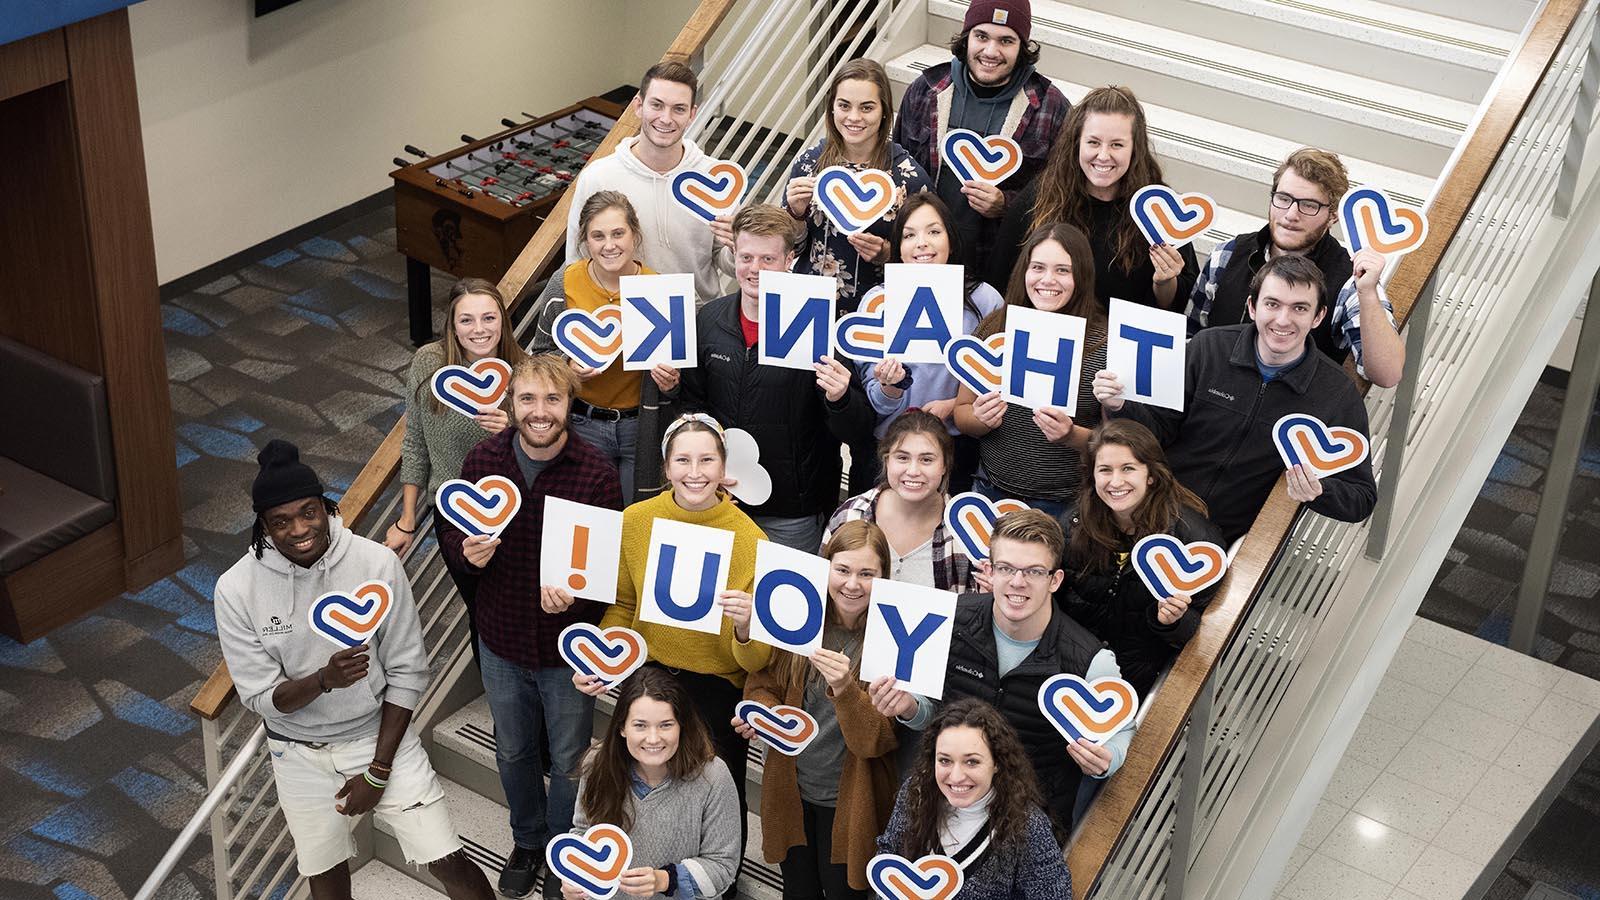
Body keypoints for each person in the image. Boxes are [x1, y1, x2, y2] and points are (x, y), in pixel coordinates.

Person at [215, 440, 491, 900]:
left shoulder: (375, 563)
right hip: (297, 754)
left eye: (308, 512)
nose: (299, 529)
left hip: (378, 738)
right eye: (280, 522)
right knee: (324, 879)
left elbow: (407, 672)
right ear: (262, 526)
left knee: (448, 861)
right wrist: (324, 681)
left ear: (326, 507)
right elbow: (260, 698)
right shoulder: (235, 589)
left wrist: (378, 771)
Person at [436, 356, 624, 898]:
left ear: (570, 404)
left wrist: (578, 596)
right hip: (500, 637)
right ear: (511, 403)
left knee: (568, 759)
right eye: (527, 400)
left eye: (552, 400)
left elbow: (605, 574)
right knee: (513, 750)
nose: (539, 413)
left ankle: (563, 849)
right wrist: (468, 555)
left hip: (567, 649)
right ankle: (528, 840)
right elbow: (452, 537)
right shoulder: (483, 460)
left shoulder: (596, 474)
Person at [574, 413, 772, 897]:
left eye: (707, 459)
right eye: (682, 460)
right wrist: (602, 656)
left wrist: (746, 626)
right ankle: (631, 876)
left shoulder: (752, 540)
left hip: (714, 690)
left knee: (715, 799)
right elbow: (622, 604)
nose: (695, 471)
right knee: (632, 782)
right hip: (649, 676)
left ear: (725, 467)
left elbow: (753, 662)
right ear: (665, 467)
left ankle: (713, 885)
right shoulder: (637, 521)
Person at [869, 509, 1132, 834]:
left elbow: (1124, 729)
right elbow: (931, 712)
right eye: (1007, 568)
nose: (1018, 582)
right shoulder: (950, 619)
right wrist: (908, 708)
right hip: (943, 808)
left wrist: (1108, 757)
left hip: (1027, 824)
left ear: (1055, 580)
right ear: (990, 572)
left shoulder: (1090, 659)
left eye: (1034, 571)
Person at [1094, 254, 1379, 544]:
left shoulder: (1336, 393)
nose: (1283, 319)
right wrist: (1120, 406)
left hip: (1224, 544)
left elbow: (1361, 498)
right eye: (1272, 304)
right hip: (1147, 513)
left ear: (1318, 317)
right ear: (1252, 307)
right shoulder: (1207, 348)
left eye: (1299, 308)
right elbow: (1158, 431)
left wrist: (1319, 490)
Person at [678, 203, 876, 552]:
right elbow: (694, 406)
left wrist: (841, 398)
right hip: (720, 499)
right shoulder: (709, 320)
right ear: (734, 255)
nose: (755, 269)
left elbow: (856, 431)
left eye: (767, 259)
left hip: (793, 512)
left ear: (789, 260)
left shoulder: (820, 328)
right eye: (746, 258)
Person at [733, 520, 898, 899]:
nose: (852, 584)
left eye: (866, 573)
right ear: (826, 567)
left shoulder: (890, 639)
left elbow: (876, 739)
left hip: (850, 805)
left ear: (884, 577)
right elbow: (763, 682)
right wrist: (762, 714)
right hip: (792, 793)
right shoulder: (801, 618)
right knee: (798, 890)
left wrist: (844, 689)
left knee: (844, 892)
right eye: (842, 570)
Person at [388, 278, 525, 666]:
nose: (478, 329)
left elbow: (547, 449)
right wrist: (407, 518)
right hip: (454, 515)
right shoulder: (429, 364)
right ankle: (497, 689)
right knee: (479, 609)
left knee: (512, 605)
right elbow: (415, 440)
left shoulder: (524, 371)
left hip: (513, 512)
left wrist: (515, 430)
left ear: (503, 320)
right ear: (451, 324)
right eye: (466, 320)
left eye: (488, 318)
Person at [1188, 147, 1404, 387]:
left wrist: (1368, 293)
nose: (1291, 214)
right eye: (1283, 199)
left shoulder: (1351, 281)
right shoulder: (1226, 255)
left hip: (1288, 417)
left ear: (1333, 215)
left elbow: (1387, 374)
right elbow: (1192, 337)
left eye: (1309, 205)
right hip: (1211, 404)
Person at [892, 0, 1069, 268]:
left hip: (1000, 263)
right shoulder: (926, 90)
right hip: (924, 260)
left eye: (1006, 41)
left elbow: (1061, 198)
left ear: (1022, 47)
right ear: (967, 37)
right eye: (981, 36)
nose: (991, 51)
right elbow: (896, 170)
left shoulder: (1050, 106)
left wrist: (1006, 205)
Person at [988, 85, 1197, 311]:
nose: (1103, 155)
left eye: (1117, 144)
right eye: (1093, 142)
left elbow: (1173, 308)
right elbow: (1000, 280)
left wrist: (1165, 281)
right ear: (1077, 142)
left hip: (1115, 341)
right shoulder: (1041, 195)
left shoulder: (1159, 208)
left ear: (1135, 149)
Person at [1057, 420, 1224, 697]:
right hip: (1071, 666)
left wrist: (1172, 621)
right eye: (1105, 470)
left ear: (1151, 475)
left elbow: (1204, 637)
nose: (1116, 481)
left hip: (1139, 680)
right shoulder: (1075, 522)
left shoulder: (1193, 539)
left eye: (1128, 468)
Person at [533, 190, 680, 503]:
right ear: (585, 240)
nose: (609, 245)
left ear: (635, 235)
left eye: (618, 233)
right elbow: (540, 354)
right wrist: (566, 369)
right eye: (598, 236)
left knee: (634, 517)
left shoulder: (658, 288)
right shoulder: (565, 282)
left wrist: (672, 384)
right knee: (587, 517)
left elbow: (680, 377)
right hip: (583, 422)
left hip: (640, 427)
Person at [953, 224, 1107, 521]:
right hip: (990, 490)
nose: (1047, 280)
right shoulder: (995, 327)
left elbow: (1116, 441)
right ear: (1023, 271)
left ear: (1082, 276)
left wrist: (1071, 435)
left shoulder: (1104, 344)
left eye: (1063, 270)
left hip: (1063, 505)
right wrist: (980, 420)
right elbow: (962, 413)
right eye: (1038, 267)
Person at [858, 193, 1006, 491]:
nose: (922, 242)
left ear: (951, 241)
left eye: (934, 232)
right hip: (891, 446)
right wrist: (889, 385)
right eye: (910, 235)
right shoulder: (877, 302)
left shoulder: (985, 300)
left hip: (957, 446)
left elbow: (1000, 384)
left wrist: (954, 405)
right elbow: (873, 399)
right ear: (899, 248)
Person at [562, 668, 742, 900]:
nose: (654, 738)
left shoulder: (713, 776)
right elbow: (584, 831)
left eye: (666, 724)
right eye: (640, 725)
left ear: (682, 726)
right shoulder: (597, 763)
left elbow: (723, 865)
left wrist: (665, 879)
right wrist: (574, 877)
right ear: (622, 728)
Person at [563, 61, 731, 304]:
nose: (666, 118)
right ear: (639, 106)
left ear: (692, 115)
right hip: (624, 319)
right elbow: (577, 259)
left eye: (679, 109)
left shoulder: (715, 178)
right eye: (657, 105)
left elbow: (724, 260)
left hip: (700, 319)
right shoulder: (598, 177)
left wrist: (738, 246)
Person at [876, 699, 1073, 900]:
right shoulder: (916, 792)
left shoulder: (1026, 823)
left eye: (972, 762)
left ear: (997, 762)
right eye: (945, 760)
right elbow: (890, 856)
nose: (956, 776)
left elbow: (1054, 895)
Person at [783, 58, 931, 312]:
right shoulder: (809, 164)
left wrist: (887, 253)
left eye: (866, 107)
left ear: (884, 110)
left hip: (879, 311)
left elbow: (931, 262)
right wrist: (795, 214)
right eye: (844, 105)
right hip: (809, 308)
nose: (854, 117)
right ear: (831, 109)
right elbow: (789, 250)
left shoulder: (909, 177)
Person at [823, 410, 973, 592]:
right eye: (902, 457)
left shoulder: (966, 532)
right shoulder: (851, 514)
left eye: (926, 460)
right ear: (887, 461)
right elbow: (822, 586)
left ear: (945, 465)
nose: (913, 470)